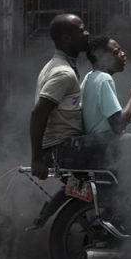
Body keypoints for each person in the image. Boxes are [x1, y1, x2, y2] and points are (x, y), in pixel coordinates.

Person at [29, 13, 90, 179]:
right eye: (82, 30)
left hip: (61, 145)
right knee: (124, 145)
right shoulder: (63, 73)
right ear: (67, 38)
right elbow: (39, 112)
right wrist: (36, 159)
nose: (87, 34)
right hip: (63, 147)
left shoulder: (55, 66)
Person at [81, 36, 131, 136]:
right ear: (102, 58)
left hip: (93, 143)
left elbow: (107, 118)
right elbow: (118, 125)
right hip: (103, 145)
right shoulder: (104, 79)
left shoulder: (89, 76)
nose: (123, 54)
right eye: (116, 52)